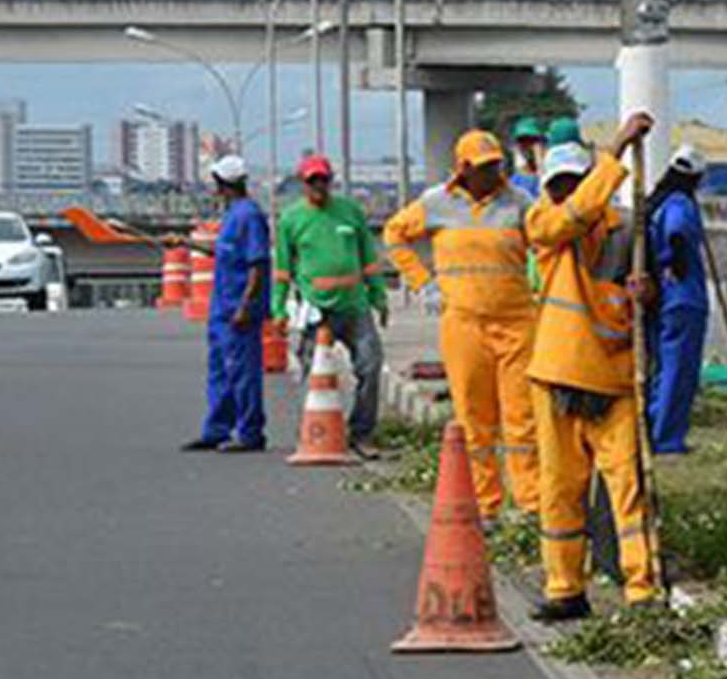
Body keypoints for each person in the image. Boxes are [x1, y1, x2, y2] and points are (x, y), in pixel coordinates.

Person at [523, 113, 659, 622]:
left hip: (614, 377)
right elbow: (573, 216)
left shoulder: (626, 231)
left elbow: (642, 291)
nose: (566, 192)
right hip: (558, 374)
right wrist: (617, 150)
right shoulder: (544, 223)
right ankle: (565, 587)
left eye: (572, 183)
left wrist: (644, 293)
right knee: (560, 489)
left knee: (627, 484)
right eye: (558, 184)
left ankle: (641, 587)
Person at [383, 129, 541, 523]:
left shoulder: (520, 203)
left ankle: (530, 504)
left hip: (517, 322)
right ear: (464, 169)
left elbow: (547, 241)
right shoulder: (437, 203)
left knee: (522, 417)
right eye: (484, 167)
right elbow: (395, 235)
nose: (493, 174)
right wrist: (424, 283)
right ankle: (485, 505)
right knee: (475, 417)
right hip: (464, 324)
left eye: (496, 166)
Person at [273, 154, 388, 452]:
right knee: (314, 373)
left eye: (323, 180)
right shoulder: (291, 219)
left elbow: (369, 260)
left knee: (370, 365)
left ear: (331, 181)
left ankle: (361, 432)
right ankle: (318, 431)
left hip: (355, 306)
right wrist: (278, 309)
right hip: (317, 309)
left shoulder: (350, 212)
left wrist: (379, 296)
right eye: (312, 181)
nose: (318, 186)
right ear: (303, 183)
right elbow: (283, 271)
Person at [181, 155, 273, 453]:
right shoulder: (233, 215)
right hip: (222, 308)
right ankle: (217, 429)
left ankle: (250, 433)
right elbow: (223, 251)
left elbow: (257, 265)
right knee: (220, 370)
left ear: (223, 185)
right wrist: (184, 244)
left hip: (238, 309)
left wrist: (246, 306)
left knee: (243, 373)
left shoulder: (249, 216)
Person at [644, 143, 711, 454]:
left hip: (661, 299)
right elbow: (678, 230)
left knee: (662, 368)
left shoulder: (655, 203)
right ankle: (667, 438)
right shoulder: (679, 204)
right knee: (679, 370)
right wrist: (676, 260)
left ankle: (656, 427)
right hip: (682, 298)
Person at [508, 116, 548, 199]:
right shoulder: (514, 182)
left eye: (533, 140)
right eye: (522, 141)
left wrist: (540, 163)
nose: (527, 146)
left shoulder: (554, 171)